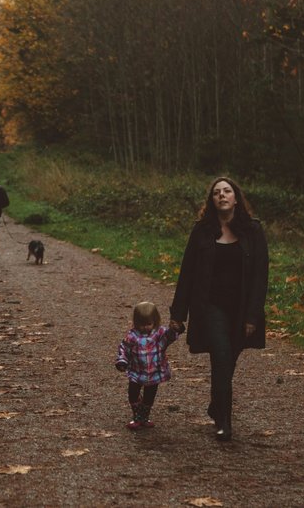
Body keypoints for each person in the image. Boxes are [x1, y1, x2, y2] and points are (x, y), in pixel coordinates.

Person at [169, 176, 269, 441]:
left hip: (241, 307)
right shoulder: (201, 231)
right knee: (222, 354)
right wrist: (177, 314)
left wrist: (252, 316)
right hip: (209, 306)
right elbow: (187, 273)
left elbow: (260, 277)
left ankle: (216, 404)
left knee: (228, 359)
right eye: (217, 192)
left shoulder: (253, 231)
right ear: (211, 200)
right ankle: (225, 420)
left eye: (227, 191)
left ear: (236, 198)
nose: (222, 195)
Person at [115, 301, 182, 430]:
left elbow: (170, 337)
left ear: (155, 321)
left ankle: (144, 417)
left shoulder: (160, 333)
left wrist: (174, 329)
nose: (145, 327)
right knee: (133, 394)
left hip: (154, 372)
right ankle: (136, 416)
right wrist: (122, 361)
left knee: (149, 397)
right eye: (141, 324)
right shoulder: (132, 336)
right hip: (136, 371)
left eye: (148, 324)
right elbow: (124, 348)